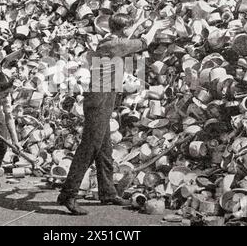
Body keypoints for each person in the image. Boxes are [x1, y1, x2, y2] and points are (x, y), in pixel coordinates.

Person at [57, 13, 169, 215]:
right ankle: (68, 194)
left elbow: (127, 37)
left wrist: (140, 21)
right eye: (128, 28)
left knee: (104, 149)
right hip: (99, 101)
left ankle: (107, 192)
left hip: (104, 99)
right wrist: (155, 26)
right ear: (123, 30)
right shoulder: (114, 46)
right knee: (89, 149)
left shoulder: (110, 41)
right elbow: (143, 41)